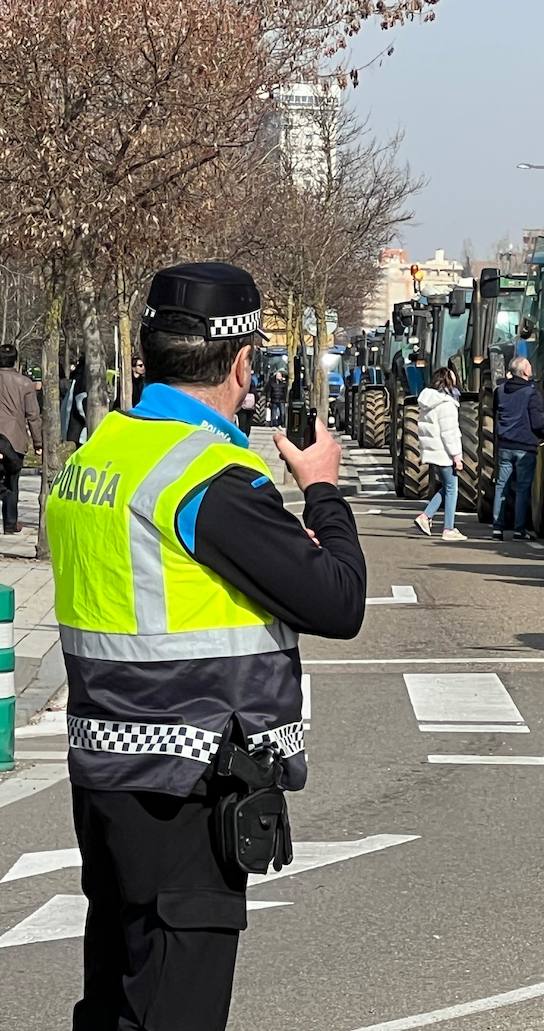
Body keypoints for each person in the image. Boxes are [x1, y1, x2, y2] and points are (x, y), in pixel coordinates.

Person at [46, 261, 366, 1031]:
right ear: (242, 360)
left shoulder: (95, 461)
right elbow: (339, 598)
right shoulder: (208, 478)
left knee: (120, 1000)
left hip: (107, 782)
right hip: (187, 793)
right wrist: (322, 485)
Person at [491, 355, 544, 541]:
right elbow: (537, 421)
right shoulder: (531, 392)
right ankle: (518, 530)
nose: (531, 369)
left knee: (501, 486)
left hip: (505, 445)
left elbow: (495, 412)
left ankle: (497, 528)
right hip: (525, 446)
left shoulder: (500, 391)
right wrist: (543, 435)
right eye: (529, 366)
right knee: (522, 489)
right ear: (524, 372)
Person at [414, 368, 466, 542]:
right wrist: (457, 456)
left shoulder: (429, 402)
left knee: (447, 487)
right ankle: (448, 528)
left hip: (433, 452)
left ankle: (426, 516)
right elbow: (449, 433)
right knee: (452, 489)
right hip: (444, 453)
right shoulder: (446, 404)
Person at [0, 342, 41, 533]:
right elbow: (33, 415)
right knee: (12, 481)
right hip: (14, 439)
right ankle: (10, 523)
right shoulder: (25, 383)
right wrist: (38, 442)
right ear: (15, 360)